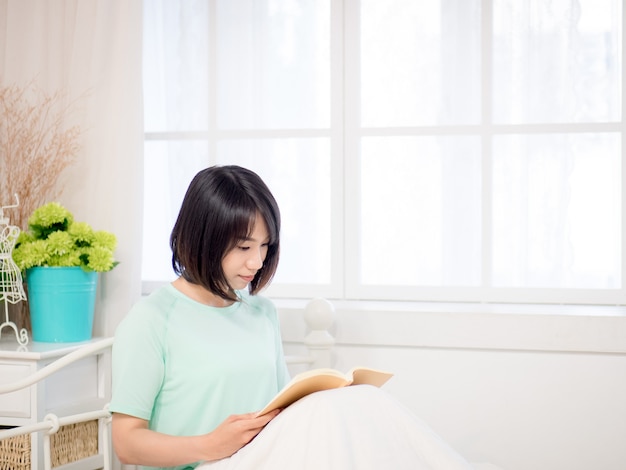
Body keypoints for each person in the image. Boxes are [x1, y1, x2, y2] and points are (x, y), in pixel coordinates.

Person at [110, 165, 474, 470]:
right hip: (207, 463)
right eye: (244, 247)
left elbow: (280, 409)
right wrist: (210, 445)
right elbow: (126, 443)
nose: (257, 262)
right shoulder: (151, 321)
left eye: (265, 246)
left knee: (364, 402)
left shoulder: (259, 312)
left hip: (264, 459)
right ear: (202, 237)